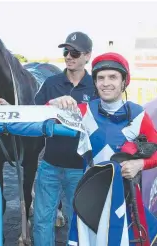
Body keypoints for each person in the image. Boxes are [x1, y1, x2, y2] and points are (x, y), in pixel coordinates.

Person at [49, 52, 157, 245]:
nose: (106, 83)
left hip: (126, 200)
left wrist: (139, 164)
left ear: (124, 81)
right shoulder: (83, 111)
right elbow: (45, 115)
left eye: (113, 77)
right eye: (100, 78)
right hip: (90, 199)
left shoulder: (139, 115)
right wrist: (55, 103)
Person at [33, 31, 97, 246]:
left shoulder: (97, 86)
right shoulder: (51, 83)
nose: (69, 56)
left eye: (75, 52)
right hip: (49, 165)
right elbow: (33, 114)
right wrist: (50, 106)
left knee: (79, 223)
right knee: (42, 221)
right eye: (65, 51)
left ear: (87, 56)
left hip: (80, 169)